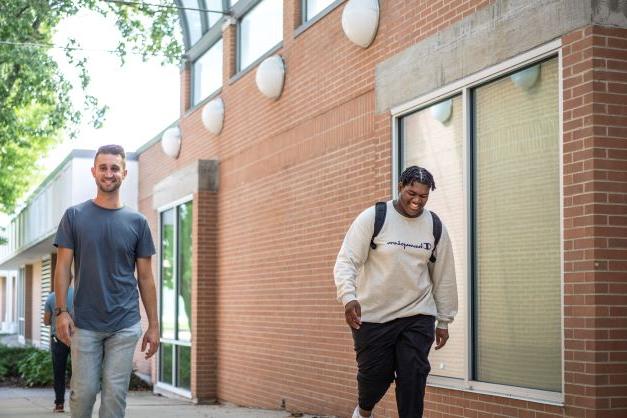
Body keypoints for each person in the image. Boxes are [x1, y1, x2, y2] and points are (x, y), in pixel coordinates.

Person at [334, 166, 458, 418]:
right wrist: (349, 297)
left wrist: (444, 320)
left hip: (417, 314)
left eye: (423, 196)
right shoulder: (374, 217)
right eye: (412, 193)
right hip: (374, 316)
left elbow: (444, 275)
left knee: (414, 376)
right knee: (375, 379)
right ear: (400, 186)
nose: (416, 200)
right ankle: (364, 411)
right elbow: (347, 260)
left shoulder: (434, 226)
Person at [53, 144, 159, 418]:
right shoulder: (74, 216)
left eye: (115, 168)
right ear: (93, 172)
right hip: (84, 323)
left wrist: (154, 326)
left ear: (124, 172)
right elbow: (63, 267)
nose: (109, 173)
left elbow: (146, 278)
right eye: (103, 167)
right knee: (83, 394)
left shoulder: (138, 222)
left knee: (114, 397)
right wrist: (62, 311)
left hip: (124, 324)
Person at [43, 288, 74, 413]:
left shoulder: (51, 297)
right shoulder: (78, 293)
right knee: (78, 373)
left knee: (59, 372)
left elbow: (46, 321)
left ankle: (59, 404)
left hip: (58, 339)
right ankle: (78, 404)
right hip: (76, 338)